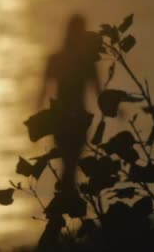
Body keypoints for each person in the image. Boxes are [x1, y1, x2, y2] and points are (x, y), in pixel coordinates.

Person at [37, 13, 101, 196]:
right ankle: (69, 201)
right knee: (71, 163)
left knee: (68, 163)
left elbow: (42, 91)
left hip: (62, 119)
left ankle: (65, 201)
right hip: (76, 119)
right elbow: (99, 91)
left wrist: (37, 118)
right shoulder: (86, 61)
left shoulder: (57, 59)